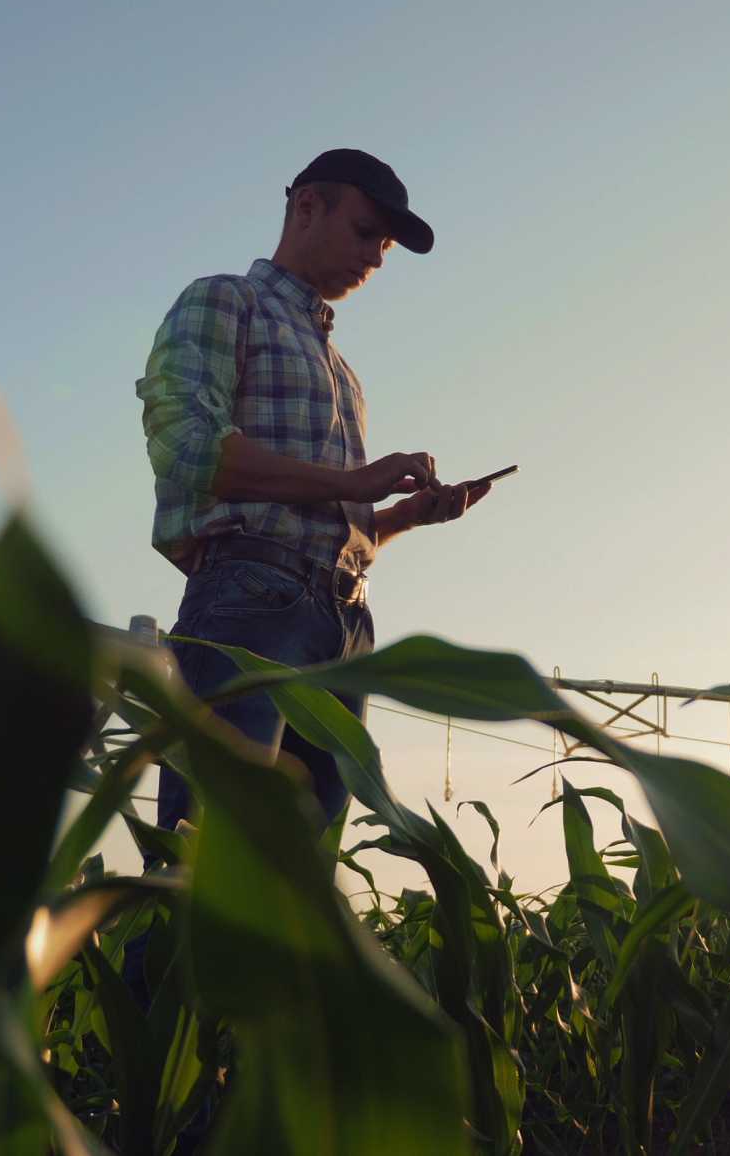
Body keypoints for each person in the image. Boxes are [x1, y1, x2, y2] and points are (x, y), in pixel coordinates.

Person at [135, 148, 490, 835]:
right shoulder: (224, 300)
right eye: (366, 234)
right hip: (250, 604)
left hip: (344, 621)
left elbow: (322, 522)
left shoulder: (343, 371)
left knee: (299, 891)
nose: (378, 259)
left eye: (386, 245)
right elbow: (185, 449)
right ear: (306, 208)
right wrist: (354, 482)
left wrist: (400, 519)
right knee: (207, 862)